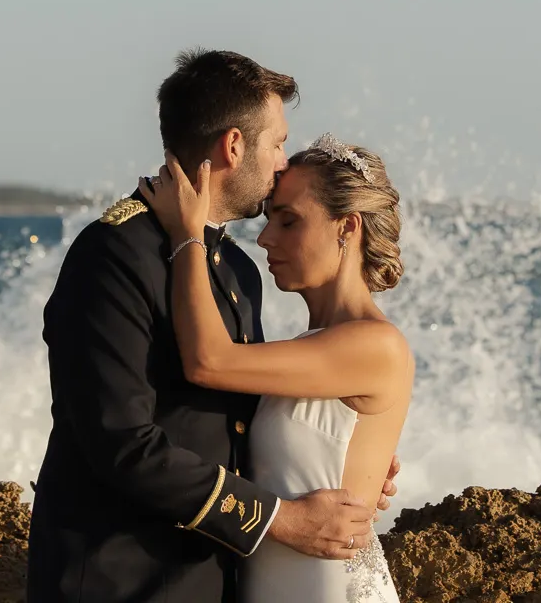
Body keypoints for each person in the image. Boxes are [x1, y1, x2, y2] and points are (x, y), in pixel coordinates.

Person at [28, 50, 398, 603]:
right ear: (233, 145)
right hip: (121, 581)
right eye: (276, 143)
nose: (281, 163)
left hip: (214, 580)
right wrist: (280, 518)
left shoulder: (238, 270)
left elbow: (233, 418)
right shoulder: (116, 253)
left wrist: (348, 453)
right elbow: (121, 441)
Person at [141, 134, 410, 603]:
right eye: (269, 220)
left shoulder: (375, 345)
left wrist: (188, 234)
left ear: (347, 227)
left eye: (289, 221)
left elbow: (208, 360)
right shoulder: (306, 350)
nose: (265, 238)